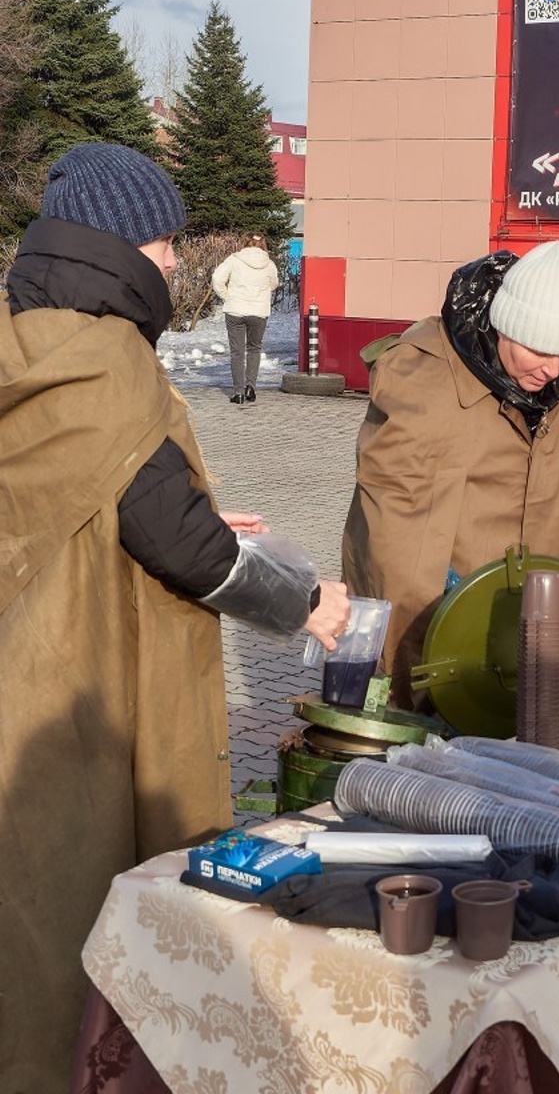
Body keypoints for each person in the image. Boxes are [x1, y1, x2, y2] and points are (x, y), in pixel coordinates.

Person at [0, 142, 350, 1092]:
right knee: (91, 906)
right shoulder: (108, 359)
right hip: (88, 689)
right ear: (120, 244)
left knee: (23, 899)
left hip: (21, 670)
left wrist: (175, 504)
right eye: (163, 242)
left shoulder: (22, 335)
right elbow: (179, 545)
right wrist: (306, 602)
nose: (170, 264)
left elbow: (87, 497)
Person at [342, 241, 559, 708]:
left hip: (536, 627)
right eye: (539, 349)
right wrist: (450, 625)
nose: (552, 369)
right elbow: (395, 533)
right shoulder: (424, 378)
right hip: (441, 614)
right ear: (505, 325)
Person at [211, 231, 280, 404]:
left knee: (237, 352)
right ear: (263, 245)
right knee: (254, 349)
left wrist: (227, 296)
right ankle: (251, 387)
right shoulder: (269, 263)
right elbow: (274, 284)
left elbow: (217, 278)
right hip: (258, 312)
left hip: (235, 310)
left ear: (245, 243)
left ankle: (238, 393)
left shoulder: (234, 259)